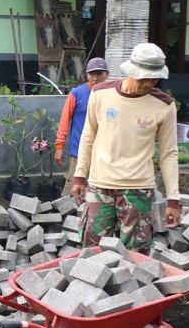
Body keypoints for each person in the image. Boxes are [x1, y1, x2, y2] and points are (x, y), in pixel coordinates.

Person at [72, 43, 180, 253]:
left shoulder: (164, 105)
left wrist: (173, 200)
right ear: (131, 71)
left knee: (136, 255)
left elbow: (169, 154)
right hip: (99, 186)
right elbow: (88, 136)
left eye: (154, 78)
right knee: (91, 252)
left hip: (138, 190)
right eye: (143, 77)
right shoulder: (101, 94)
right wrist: (79, 175)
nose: (148, 83)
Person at [54, 57, 109, 195]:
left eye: (99, 73)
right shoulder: (77, 93)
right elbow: (64, 121)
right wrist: (59, 147)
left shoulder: (111, 94)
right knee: (72, 193)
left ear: (106, 74)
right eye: (91, 73)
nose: (95, 77)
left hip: (105, 153)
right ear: (86, 74)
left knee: (100, 193)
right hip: (79, 151)